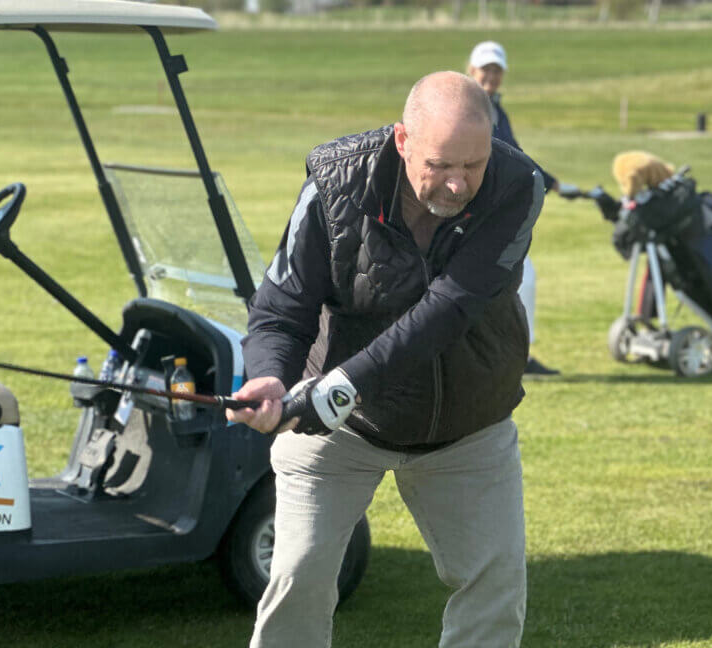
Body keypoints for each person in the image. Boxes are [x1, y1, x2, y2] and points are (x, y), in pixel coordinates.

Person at [226, 71, 544, 648]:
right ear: (402, 141)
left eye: (472, 166)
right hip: (340, 430)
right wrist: (271, 378)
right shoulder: (334, 180)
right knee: (296, 577)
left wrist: (338, 387)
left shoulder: (516, 183)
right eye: (441, 165)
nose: (457, 184)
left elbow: (449, 309)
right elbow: (281, 306)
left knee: (494, 587)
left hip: (468, 425)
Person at [467, 40, 560, 376]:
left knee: (522, 277)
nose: (491, 75)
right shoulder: (468, 107)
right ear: (471, 70)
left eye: (496, 69)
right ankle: (511, 356)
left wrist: (553, 182)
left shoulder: (495, 109)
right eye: (485, 69)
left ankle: (516, 355)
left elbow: (516, 155)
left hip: (495, 208)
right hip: (475, 211)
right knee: (520, 276)